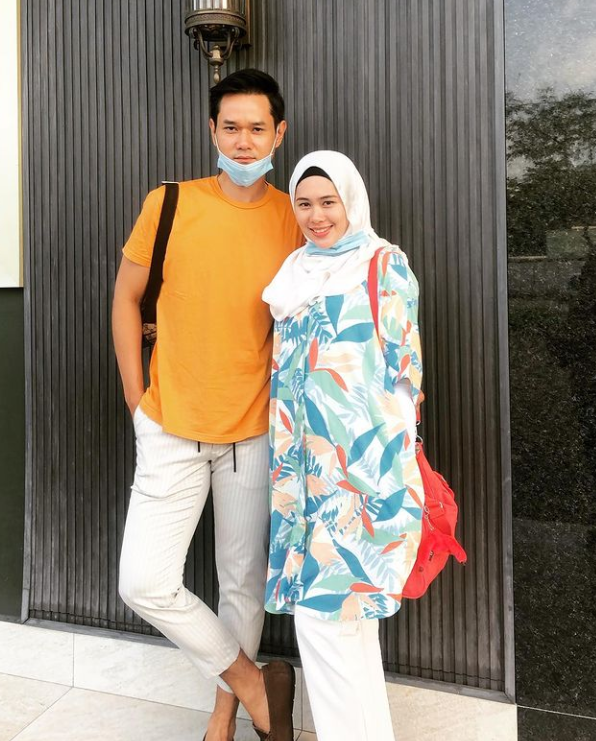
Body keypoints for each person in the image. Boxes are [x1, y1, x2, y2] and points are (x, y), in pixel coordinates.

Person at [112, 69, 303, 741]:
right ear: (212, 131)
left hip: (253, 429)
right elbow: (126, 298)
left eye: (257, 128)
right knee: (144, 580)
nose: (244, 142)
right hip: (171, 425)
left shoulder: (295, 217)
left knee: (241, 583)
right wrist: (137, 400)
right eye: (231, 128)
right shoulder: (170, 203)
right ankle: (254, 681)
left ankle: (223, 719)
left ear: (279, 133)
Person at [262, 150, 425, 741]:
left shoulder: (383, 264)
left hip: (361, 477)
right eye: (304, 203)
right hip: (302, 477)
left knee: (324, 623)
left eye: (328, 202)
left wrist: (385, 476)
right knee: (348, 632)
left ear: (350, 201)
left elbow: (406, 375)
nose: (316, 216)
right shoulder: (294, 271)